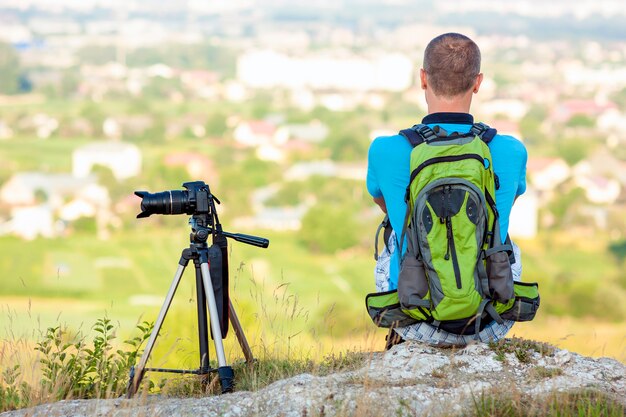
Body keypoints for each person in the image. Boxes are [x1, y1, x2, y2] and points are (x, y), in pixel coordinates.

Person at [366, 32, 527, 346]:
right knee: (505, 238)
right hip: (490, 321)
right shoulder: (511, 150)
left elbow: (382, 203)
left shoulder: (385, 150)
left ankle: (401, 336)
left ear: (423, 79)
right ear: (477, 82)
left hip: (416, 320)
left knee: (395, 236)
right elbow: (507, 204)